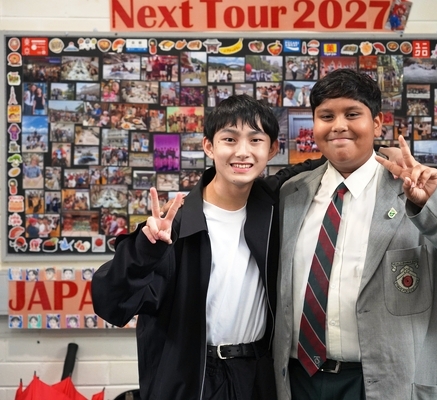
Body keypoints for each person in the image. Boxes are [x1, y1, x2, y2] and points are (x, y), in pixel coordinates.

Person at [273, 69, 437, 400]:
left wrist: (431, 206)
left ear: (377, 124)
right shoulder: (292, 194)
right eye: (326, 116)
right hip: (301, 382)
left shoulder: (420, 191)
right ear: (314, 126)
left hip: (391, 385)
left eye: (352, 114)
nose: (338, 125)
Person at [91, 95, 326, 400]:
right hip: (192, 379)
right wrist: (144, 250)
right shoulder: (175, 225)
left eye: (255, 140)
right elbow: (111, 304)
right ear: (209, 146)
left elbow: (318, 165)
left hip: (256, 376)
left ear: (271, 150)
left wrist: (376, 153)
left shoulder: (272, 208)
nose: (243, 152)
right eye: (230, 139)